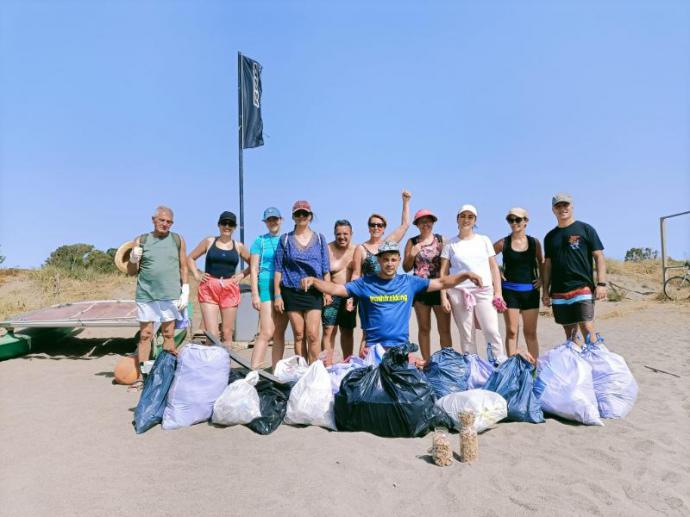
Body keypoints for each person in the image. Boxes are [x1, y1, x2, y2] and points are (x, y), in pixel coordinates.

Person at [301, 241, 483, 360]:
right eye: (386, 259)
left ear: (398, 261)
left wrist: (465, 275)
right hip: (373, 350)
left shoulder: (409, 282)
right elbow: (337, 289)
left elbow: (442, 282)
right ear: (379, 260)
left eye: (393, 259)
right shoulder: (365, 283)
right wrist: (315, 281)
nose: (389, 263)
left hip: (401, 350)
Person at [127, 206, 188, 390]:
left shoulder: (177, 239)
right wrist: (132, 258)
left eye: (169, 222)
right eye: (162, 220)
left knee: (169, 334)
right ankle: (143, 376)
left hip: (170, 294)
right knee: (146, 335)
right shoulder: (141, 240)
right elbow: (131, 272)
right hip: (146, 294)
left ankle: (167, 375)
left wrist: (185, 288)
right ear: (154, 220)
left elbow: (183, 266)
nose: (165, 224)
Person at [440, 204, 507, 365]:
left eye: (470, 217)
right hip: (459, 293)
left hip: (484, 291)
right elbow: (443, 273)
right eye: (463, 216)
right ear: (457, 219)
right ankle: (473, 368)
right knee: (467, 334)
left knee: (491, 330)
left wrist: (498, 292)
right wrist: (444, 296)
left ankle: (498, 364)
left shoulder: (484, 240)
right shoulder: (450, 244)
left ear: (475, 220)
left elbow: (493, 267)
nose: (466, 220)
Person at [542, 193, 607, 344]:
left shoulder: (585, 229)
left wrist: (601, 284)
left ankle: (597, 363)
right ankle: (578, 366)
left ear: (572, 206)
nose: (562, 209)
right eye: (558, 206)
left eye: (565, 205)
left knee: (587, 326)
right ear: (553, 210)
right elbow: (548, 265)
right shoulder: (550, 237)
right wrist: (545, 291)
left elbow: (599, 256)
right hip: (559, 291)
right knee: (570, 334)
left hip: (582, 287)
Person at [274, 200, 331, 363]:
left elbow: (325, 268)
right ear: (293, 217)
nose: (301, 217)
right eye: (298, 214)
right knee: (298, 334)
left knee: (313, 334)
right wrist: (278, 295)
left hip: (314, 292)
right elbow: (278, 268)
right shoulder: (285, 239)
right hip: (291, 291)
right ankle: (302, 371)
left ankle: (315, 368)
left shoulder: (320, 239)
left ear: (310, 216)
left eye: (304, 213)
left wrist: (327, 291)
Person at [187, 211, 250, 350]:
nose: (227, 226)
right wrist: (197, 275)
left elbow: (254, 263)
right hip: (209, 287)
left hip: (229, 287)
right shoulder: (209, 241)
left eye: (231, 224)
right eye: (224, 223)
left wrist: (242, 275)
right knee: (212, 334)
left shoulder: (238, 246)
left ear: (234, 227)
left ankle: (224, 367)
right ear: (219, 225)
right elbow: (190, 258)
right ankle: (211, 367)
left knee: (227, 333)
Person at [493, 207, 544, 360]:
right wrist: (497, 272)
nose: (514, 223)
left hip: (531, 292)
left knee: (530, 333)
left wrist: (542, 279)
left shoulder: (535, 243)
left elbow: (542, 262)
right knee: (512, 332)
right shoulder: (503, 242)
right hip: (510, 292)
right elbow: (487, 256)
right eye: (511, 220)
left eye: (518, 219)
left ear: (526, 221)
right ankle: (512, 369)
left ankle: (534, 369)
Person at [402, 209, 452, 361]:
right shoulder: (412, 242)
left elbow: (448, 266)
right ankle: (427, 362)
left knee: (444, 329)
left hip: (439, 288)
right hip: (421, 289)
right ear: (417, 224)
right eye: (422, 221)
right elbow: (406, 268)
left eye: (428, 221)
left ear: (433, 222)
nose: (425, 224)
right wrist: (412, 254)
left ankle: (448, 362)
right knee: (424, 328)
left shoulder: (441, 240)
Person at [249, 207, 289, 369]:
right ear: (265, 222)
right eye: (269, 220)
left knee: (279, 333)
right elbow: (253, 268)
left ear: (281, 220)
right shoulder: (260, 241)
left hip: (283, 287)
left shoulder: (287, 240)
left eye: (275, 219)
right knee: (266, 332)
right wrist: (255, 294)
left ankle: (276, 370)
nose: (273, 222)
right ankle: (254, 370)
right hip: (266, 285)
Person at [351, 190, 412, 279]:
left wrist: (406, 201)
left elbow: (405, 225)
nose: (376, 228)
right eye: (373, 225)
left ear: (384, 229)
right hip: (370, 290)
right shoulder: (360, 248)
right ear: (369, 228)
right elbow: (356, 274)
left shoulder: (388, 244)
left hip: (389, 290)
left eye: (379, 225)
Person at [321, 219, 357, 363]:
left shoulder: (356, 250)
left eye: (345, 234)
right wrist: (326, 292)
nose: (342, 237)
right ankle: (327, 366)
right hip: (332, 294)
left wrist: (352, 297)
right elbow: (324, 272)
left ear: (351, 234)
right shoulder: (328, 249)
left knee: (347, 330)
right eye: (338, 234)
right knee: (328, 330)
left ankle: (347, 364)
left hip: (350, 295)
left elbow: (358, 273)